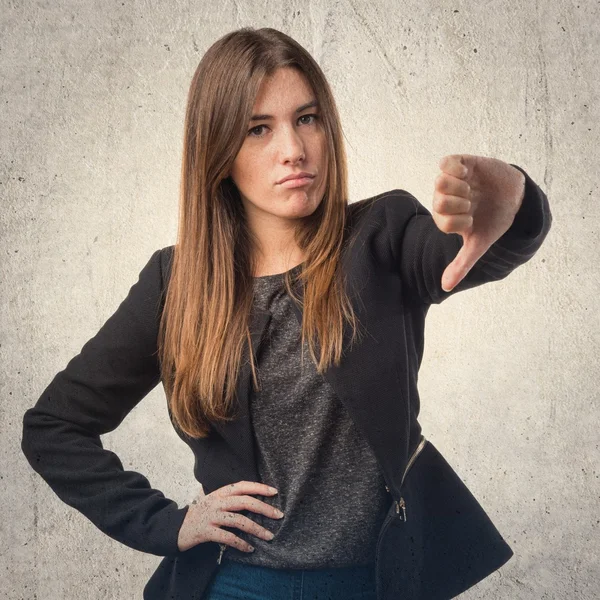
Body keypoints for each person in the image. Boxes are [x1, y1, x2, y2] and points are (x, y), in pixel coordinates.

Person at [21, 26, 552, 600]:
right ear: (218, 152)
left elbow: (473, 253)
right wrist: (168, 523)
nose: (293, 149)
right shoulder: (176, 283)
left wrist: (515, 202)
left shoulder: (384, 236)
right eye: (258, 129)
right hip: (236, 583)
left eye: (307, 118)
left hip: (379, 580)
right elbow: (54, 427)